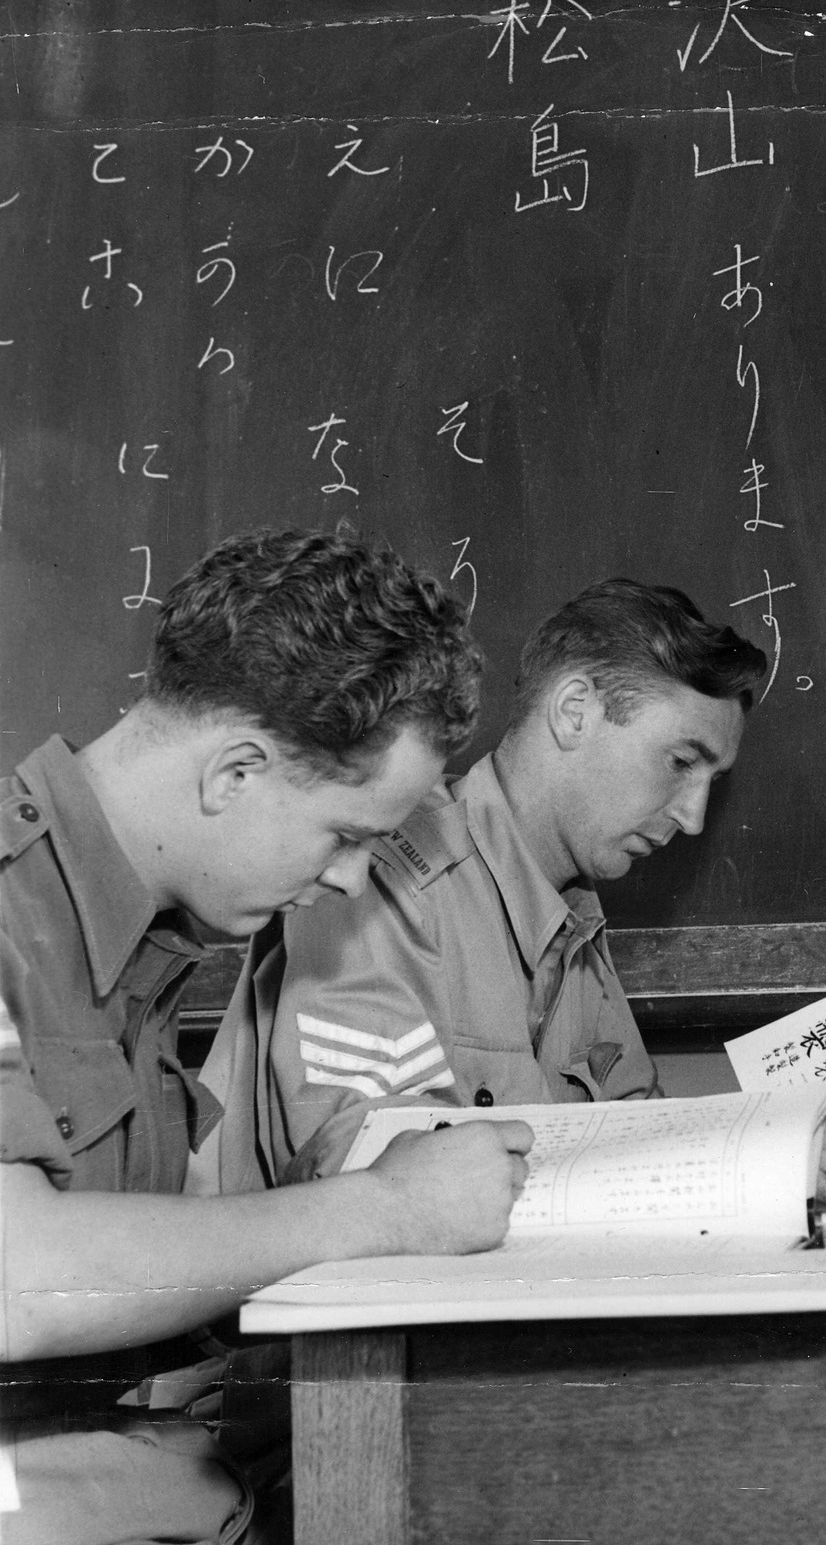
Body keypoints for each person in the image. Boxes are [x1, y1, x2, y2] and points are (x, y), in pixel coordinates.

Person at [0, 527, 533, 1545]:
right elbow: (16, 1277)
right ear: (234, 771)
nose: (345, 881)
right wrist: (384, 1210)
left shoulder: (136, 937)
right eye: (346, 835)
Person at [200, 578, 826, 1207]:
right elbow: (365, 1171)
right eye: (681, 763)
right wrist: (744, 1160)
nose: (691, 818)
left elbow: (635, 1128)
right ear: (574, 712)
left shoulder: (573, 925)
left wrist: (771, 1146)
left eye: (709, 784)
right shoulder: (379, 879)